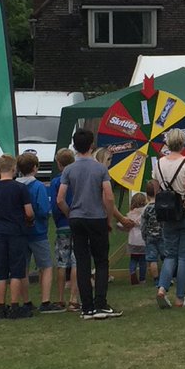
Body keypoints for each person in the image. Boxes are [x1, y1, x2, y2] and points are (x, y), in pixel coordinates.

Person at [56, 128, 134, 320]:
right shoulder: (100, 169)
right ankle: (101, 303)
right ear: (92, 145)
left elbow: (60, 199)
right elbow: (108, 196)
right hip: (96, 217)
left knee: (82, 262)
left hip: (77, 217)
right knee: (101, 261)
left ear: (74, 146)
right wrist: (109, 219)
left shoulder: (68, 169)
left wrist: (70, 213)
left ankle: (87, 307)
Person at [154, 127, 185, 309]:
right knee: (184, 256)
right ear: (182, 143)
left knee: (170, 254)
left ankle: (162, 287)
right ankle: (180, 297)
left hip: (167, 213)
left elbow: (158, 190)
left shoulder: (158, 164)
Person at [0, 155, 35, 320]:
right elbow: (29, 212)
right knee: (16, 270)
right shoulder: (20, 188)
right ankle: (14, 306)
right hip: (16, 231)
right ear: (14, 169)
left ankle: (0, 307)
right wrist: (28, 220)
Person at [16, 152, 58, 313]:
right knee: (46, 266)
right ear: (35, 168)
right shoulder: (38, 186)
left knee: (23, 268)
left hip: (20, 231)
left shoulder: (15, 185)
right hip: (38, 231)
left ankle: (26, 301)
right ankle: (45, 301)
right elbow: (42, 209)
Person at [48, 148, 78, 311]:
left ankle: (60, 298)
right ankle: (74, 298)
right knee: (76, 261)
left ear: (59, 164)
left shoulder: (56, 182)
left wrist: (64, 214)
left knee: (61, 262)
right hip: (78, 221)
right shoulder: (76, 178)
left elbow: (56, 203)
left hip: (62, 224)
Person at [141, 179, 165, 282]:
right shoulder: (162, 206)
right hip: (163, 235)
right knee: (166, 258)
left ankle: (156, 280)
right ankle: (166, 277)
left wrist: (144, 235)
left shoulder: (146, 209)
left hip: (150, 236)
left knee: (152, 259)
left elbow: (143, 224)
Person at [124, 192, 149, 284]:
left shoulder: (130, 214)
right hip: (143, 240)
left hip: (132, 241)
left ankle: (132, 272)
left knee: (133, 258)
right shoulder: (145, 212)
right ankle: (142, 279)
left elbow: (123, 225)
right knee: (143, 260)